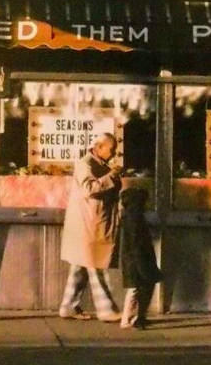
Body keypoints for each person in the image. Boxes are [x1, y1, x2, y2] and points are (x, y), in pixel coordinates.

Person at [58, 132, 123, 322]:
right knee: (96, 265)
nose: (113, 154)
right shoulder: (85, 164)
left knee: (81, 266)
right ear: (99, 147)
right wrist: (111, 176)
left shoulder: (98, 165)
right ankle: (106, 310)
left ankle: (68, 306)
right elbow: (89, 188)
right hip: (88, 225)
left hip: (91, 224)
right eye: (111, 149)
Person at [119, 186, 161, 330]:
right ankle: (130, 318)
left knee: (136, 289)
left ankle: (135, 317)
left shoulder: (131, 216)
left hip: (136, 259)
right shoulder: (135, 217)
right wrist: (141, 263)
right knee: (137, 289)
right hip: (139, 260)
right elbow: (137, 243)